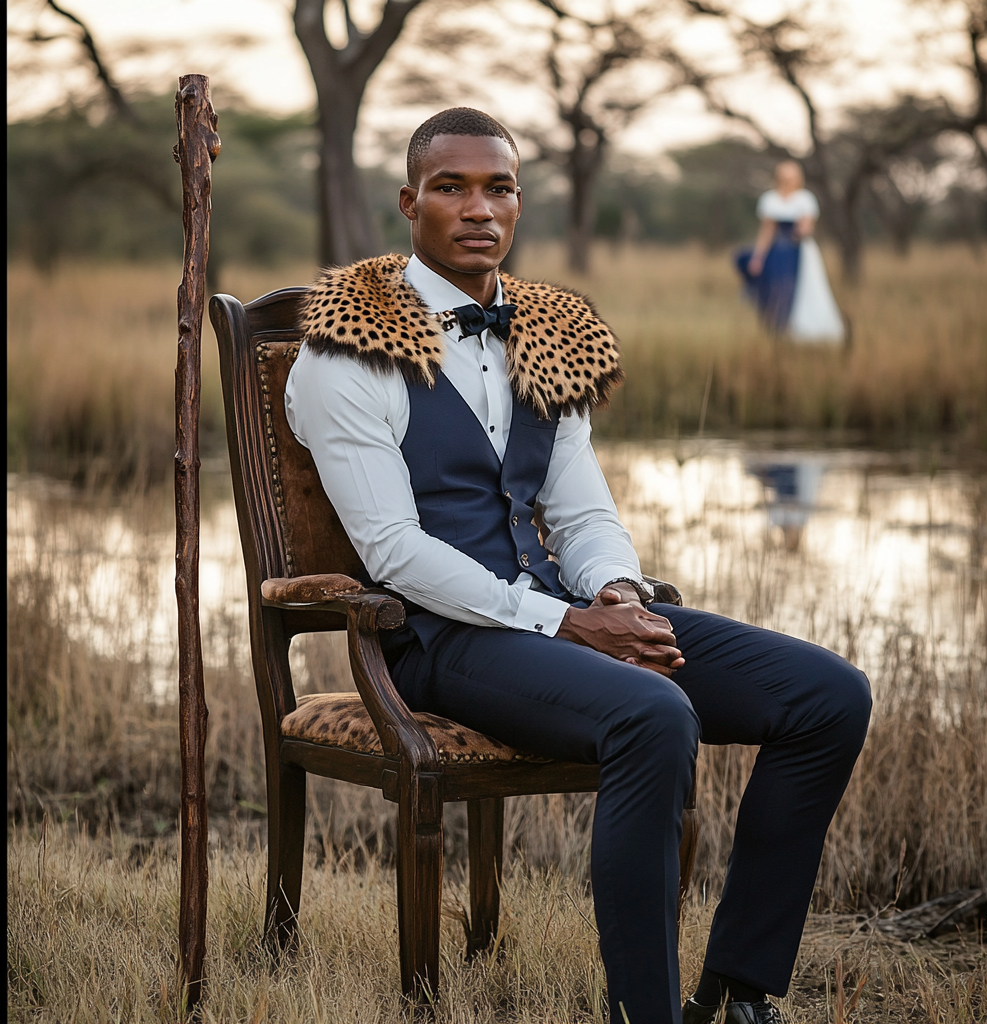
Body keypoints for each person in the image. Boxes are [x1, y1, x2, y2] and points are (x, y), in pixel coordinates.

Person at [285, 108, 871, 1024]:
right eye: (452, 187)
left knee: (828, 696)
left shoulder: (545, 332)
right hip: (441, 637)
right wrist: (565, 622)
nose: (479, 207)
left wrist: (616, 593)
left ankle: (742, 989)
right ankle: (645, 1011)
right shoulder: (346, 352)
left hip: (558, 614)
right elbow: (395, 553)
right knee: (652, 714)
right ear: (410, 202)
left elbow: (581, 508)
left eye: (500, 186)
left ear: (520, 202)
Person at [736, 161, 846, 343]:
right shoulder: (769, 198)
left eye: (792, 177)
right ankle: (775, 326)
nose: (788, 181)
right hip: (776, 249)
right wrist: (758, 256)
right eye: (785, 177)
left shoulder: (805, 198)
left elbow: (807, 225)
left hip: (798, 250)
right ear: (778, 178)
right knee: (765, 279)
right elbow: (767, 231)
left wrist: (802, 230)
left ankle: (799, 330)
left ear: (798, 178)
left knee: (795, 288)